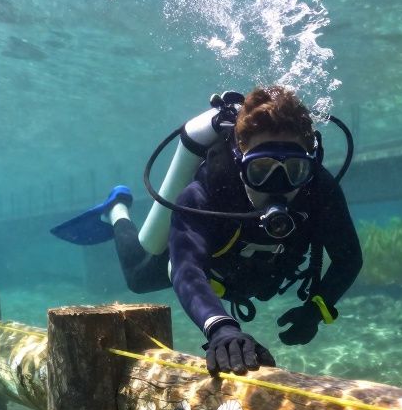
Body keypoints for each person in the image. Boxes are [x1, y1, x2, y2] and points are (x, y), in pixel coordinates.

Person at [53, 86, 363, 376]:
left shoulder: (320, 190)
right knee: (138, 277)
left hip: (253, 274)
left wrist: (316, 309)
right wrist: (220, 327)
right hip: (212, 270)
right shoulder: (205, 193)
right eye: (260, 169)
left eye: (293, 171)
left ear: (309, 166)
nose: (277, 185)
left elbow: (348, 259)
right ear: (240, 161)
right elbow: (187, 269)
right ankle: (116, 210)